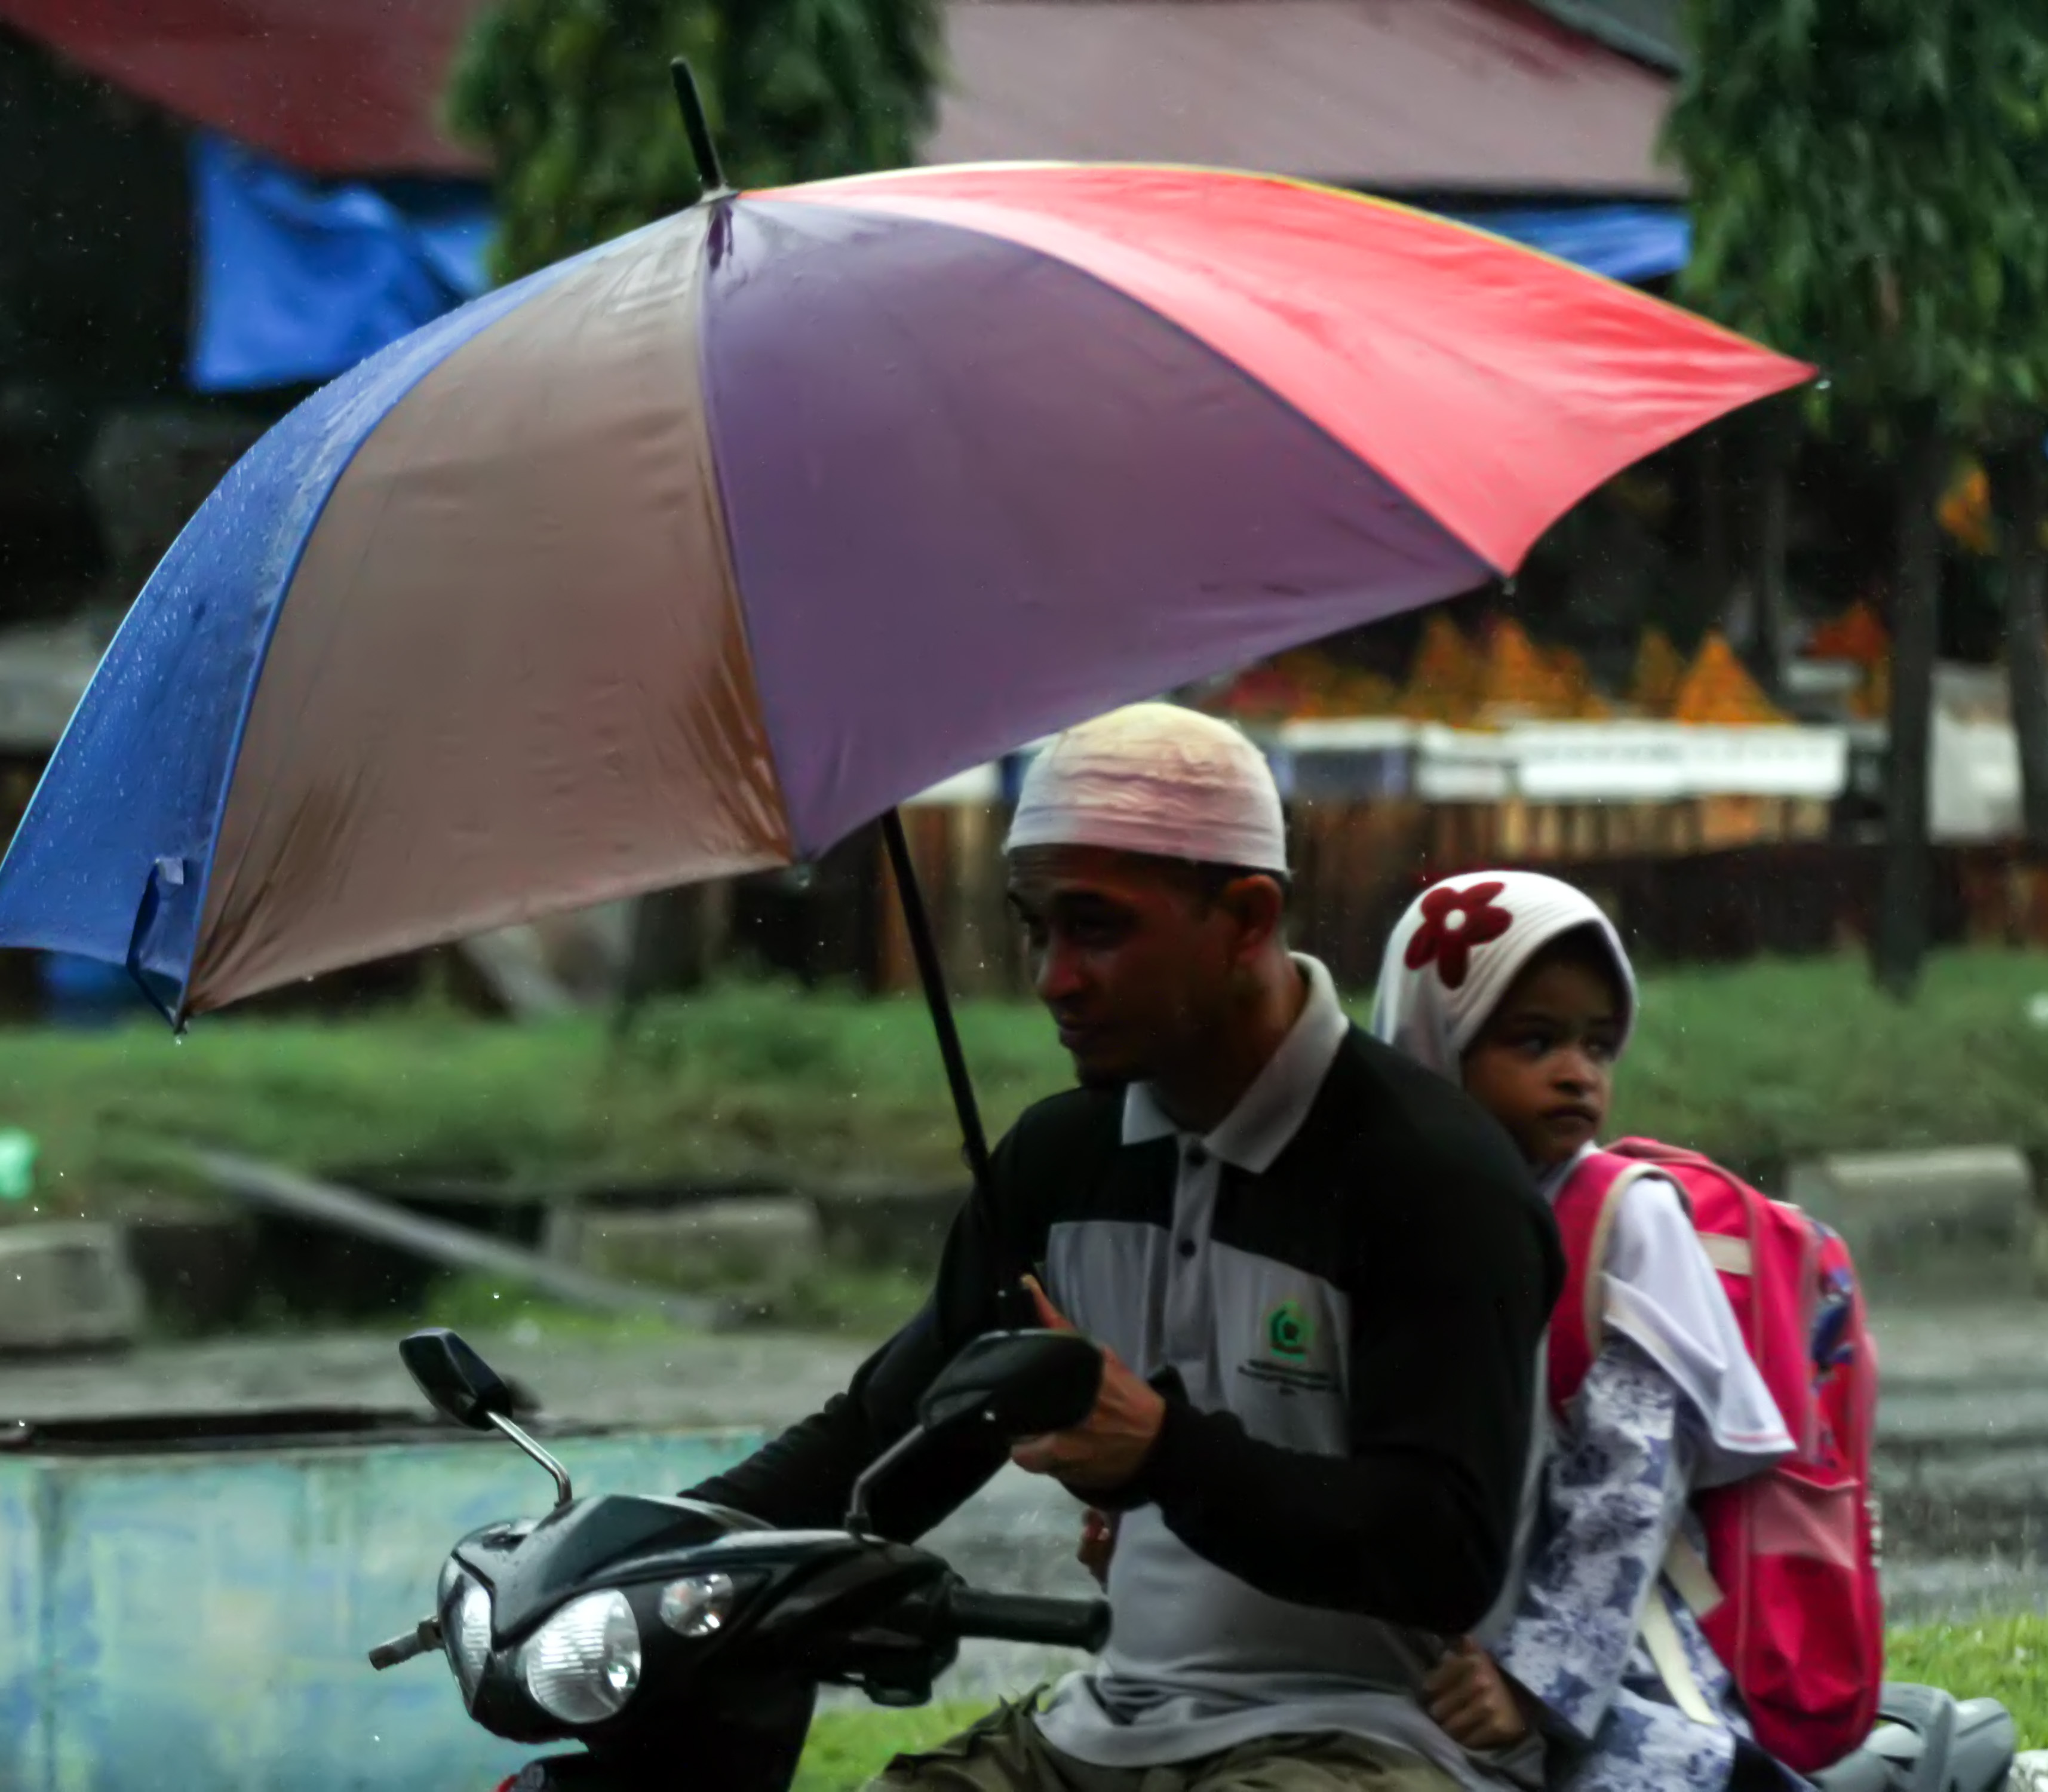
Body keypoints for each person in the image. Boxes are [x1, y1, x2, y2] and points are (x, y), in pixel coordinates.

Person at [682, 704, 1560, 1792]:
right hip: (1108, 1726)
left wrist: (1164, 1454)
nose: (1053, 976)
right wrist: (668, 1537)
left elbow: (1444, 1551)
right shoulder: (1062, 1160)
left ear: (1246, 917)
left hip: (1376, 1739)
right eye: (1035, 927)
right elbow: (891, 1438)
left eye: (1095, 928)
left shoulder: (1429, 1175)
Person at [1368, 871, 1800, 1792]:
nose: (1578, 1073)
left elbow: (1627, 1488)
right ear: (1430, 1046)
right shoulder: (1373, 1217)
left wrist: (1535, 1685)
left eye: (1598, 1046)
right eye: (1535, 1041)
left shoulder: (1623, 1221)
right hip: (1407, 1671)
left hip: (1607, 1670)